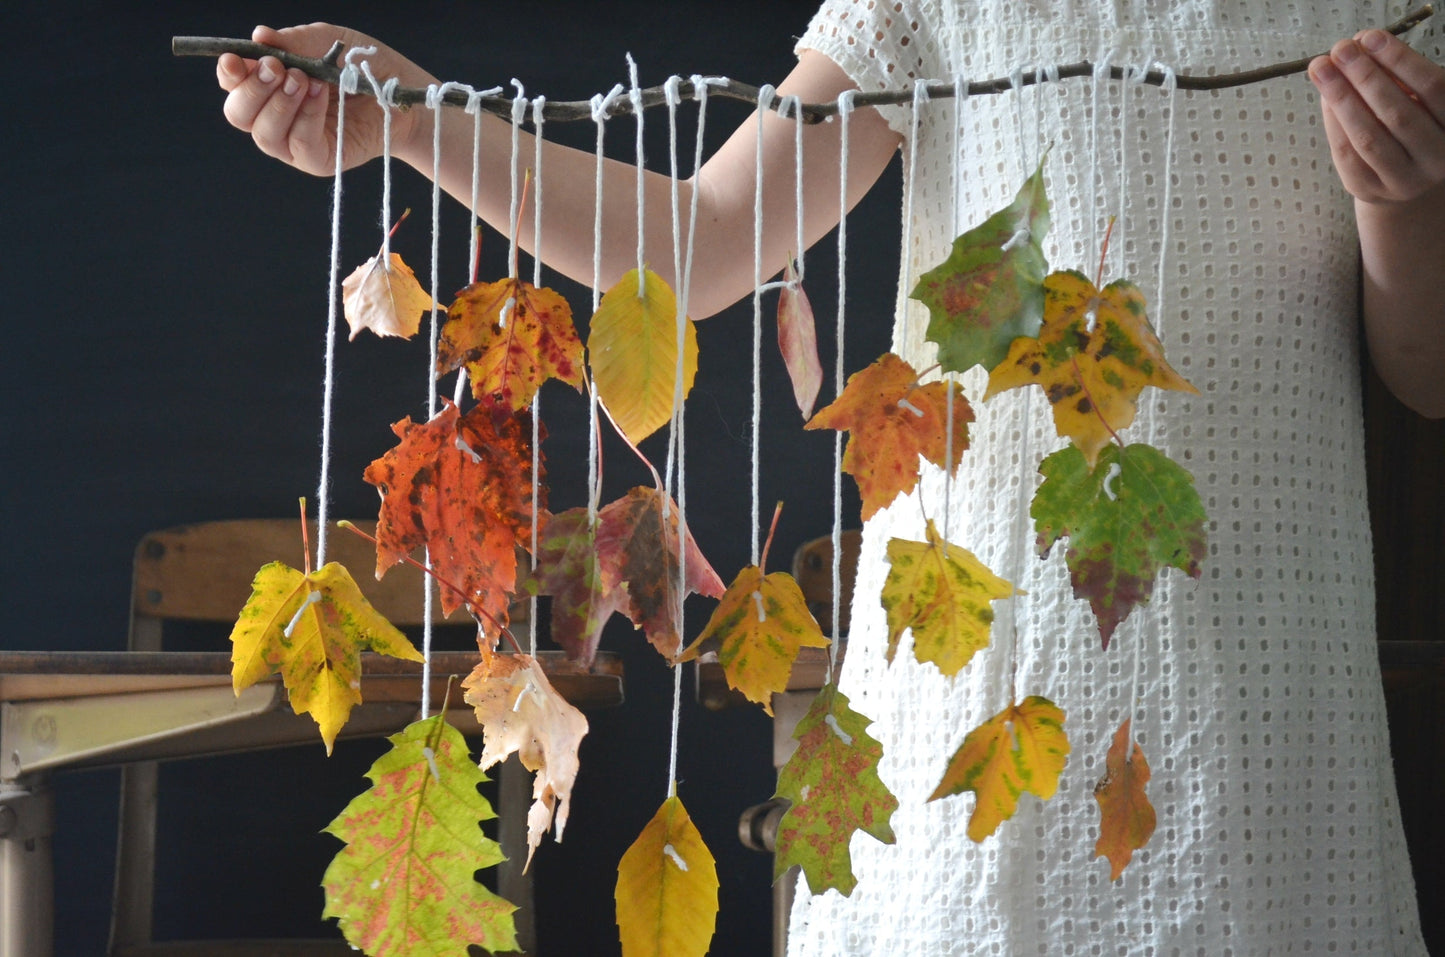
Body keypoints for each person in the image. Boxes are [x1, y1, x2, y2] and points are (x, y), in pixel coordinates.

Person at [215, 1, 1443, 953]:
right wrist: (417, 119)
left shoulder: (1388, 10)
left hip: (1260, 687)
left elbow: (1423, 373)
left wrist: (1406, 203)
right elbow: (700, 241)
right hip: (966, 671)